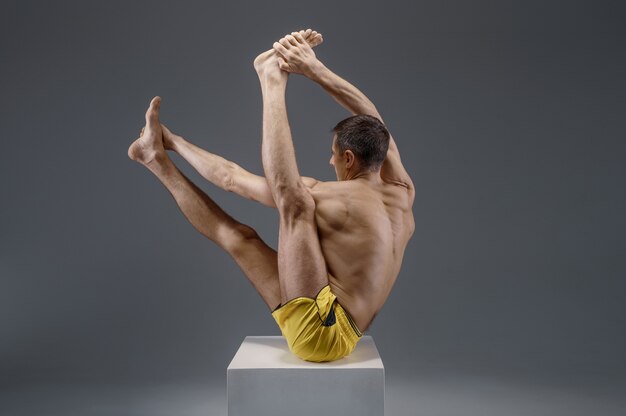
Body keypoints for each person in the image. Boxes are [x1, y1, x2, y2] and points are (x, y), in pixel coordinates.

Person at [128, 29, 414, 362]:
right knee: (240, 238)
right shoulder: (403, 192)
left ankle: (270, 80)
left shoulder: (328, 197)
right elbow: (375, 121)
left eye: (333, 154)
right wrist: (314, 68)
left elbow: (232, 179)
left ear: (348, 158)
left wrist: (280, 75)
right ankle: (153, 157)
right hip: (340, 325)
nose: (330, 161)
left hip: (320, 336)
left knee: (294, 202)